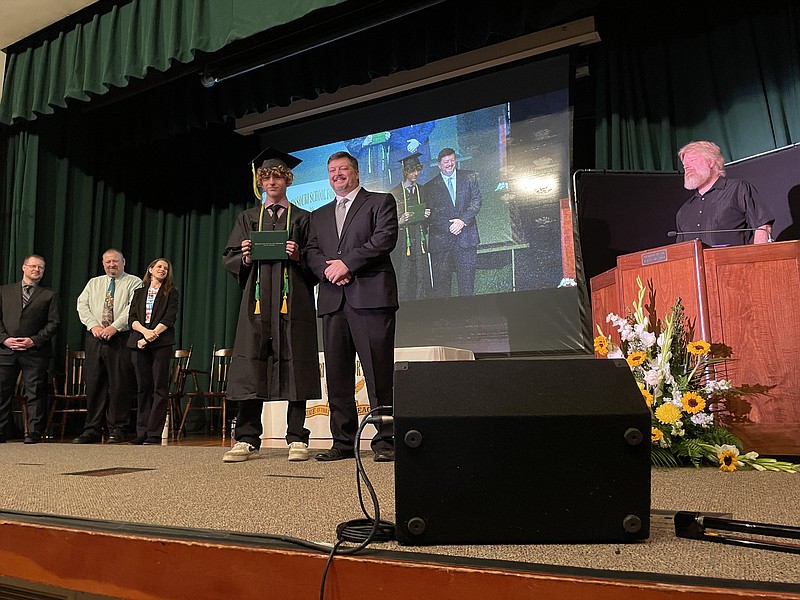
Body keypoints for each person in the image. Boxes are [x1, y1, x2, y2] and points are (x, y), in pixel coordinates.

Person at [222, 148, 320, 463]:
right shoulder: (248, 218)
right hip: (257, 304)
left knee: (296, 363)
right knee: (251, 364)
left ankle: (297, 438)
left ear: (287, 180)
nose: (272, 182)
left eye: (278, 176)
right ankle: (247, 438)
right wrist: (246, 256)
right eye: (267, 177)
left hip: (293, 303)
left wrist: (298, 255)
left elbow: (316, 262)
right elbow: (230, 257)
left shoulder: (303, 218)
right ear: (261, 182)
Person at [306, 151, 398, 462]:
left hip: (371, 299)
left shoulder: (380, 202)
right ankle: (343, 442)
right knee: (337, 376)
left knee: (378, 373)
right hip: (333, 301)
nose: (337, 175)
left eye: (343, 169)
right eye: (331, 170)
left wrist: (347, 264)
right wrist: (328, 270)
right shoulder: (317, 215)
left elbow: (384, 239)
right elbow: (311, 251)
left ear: (355, 172)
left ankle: (386, 440)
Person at [74, 248, 142, 444]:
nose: (112, 265)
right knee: (95, 384)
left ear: (124, 262)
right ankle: (92, 429)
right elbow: (82, 305)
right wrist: (93, 325)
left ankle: (117, 428)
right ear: (103, 264)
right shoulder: (93, 283)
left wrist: (114, 327)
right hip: (95, 338)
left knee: (120, 385)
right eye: (108, 262)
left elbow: (133, 308)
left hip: (120, 338)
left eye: (115, 261)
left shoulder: (134, 282)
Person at [0, 255, 60, 444]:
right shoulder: (4, 291)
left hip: (34, 352)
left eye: (41, 268)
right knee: (2, 392)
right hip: (6, 351)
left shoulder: (49, 294)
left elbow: (54, 323)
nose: (37, 270)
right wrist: (5, 339)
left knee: (34, 392)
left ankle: (34, 432)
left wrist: (33, 341)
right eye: (33, 266)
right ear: (23, 267)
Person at [675, 140, 773, 246]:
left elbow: (762, 228)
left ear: (711, 162)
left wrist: (758, 259)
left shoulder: (738, 189)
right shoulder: (684, 210)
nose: (686, 167)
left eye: (692, 160)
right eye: (684, 164)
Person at [127, 258, 180, 445]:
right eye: (159, 266)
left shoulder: (171, 293)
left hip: (161, 343)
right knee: (143, 388)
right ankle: (141, 431)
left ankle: (154, 433)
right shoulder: (139, 292)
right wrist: (144, 333)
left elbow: (169, 317)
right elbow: (132, 317)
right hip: (139, 342)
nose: (162, 270)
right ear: (150, 269)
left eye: (166, 268)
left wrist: (152, 335)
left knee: (159, 388)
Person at [423, 147, 482, 297]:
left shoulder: (470, 177)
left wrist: (462, 221)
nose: (450, 164)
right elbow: (430, 213)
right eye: (446, 161)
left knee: (467, 285)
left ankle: (468, 317)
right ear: (439, 165)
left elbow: (476, 202)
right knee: (442, 287)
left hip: (466, 239)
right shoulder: (429, 187)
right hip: (441, 242)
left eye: (452, 160)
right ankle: (446, 319)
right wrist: (449, 226)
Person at [390, 152, 432, 301]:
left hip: (419, 239)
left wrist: (426, 215)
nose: (416, 174)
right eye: (412, 170)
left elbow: (429, 219)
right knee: (404, 274)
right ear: (405, 172)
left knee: (421, 273)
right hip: (403, 243)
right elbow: (386, 223)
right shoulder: (394, 194)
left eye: (418, 170)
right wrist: (400, 221)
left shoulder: (422, 190)